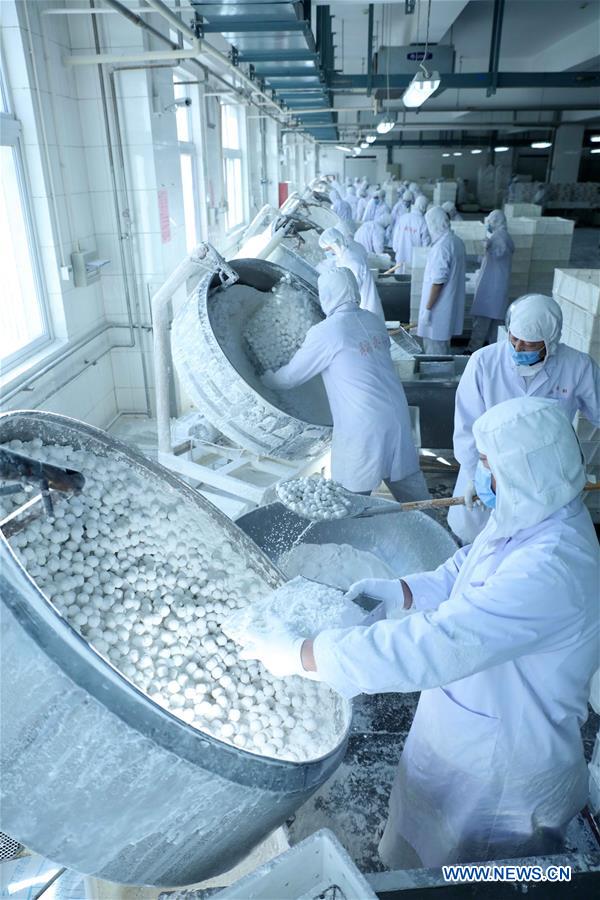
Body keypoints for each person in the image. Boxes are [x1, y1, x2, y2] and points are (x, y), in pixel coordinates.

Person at [236, 397, 599, 869]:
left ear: (523, 472)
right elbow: (465, 568)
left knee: (465, 878)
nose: (481, 479)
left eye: (488, 468)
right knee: (417, 845)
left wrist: (307, 655)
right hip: (461, 728)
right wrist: (401, 591)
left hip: (502, 768)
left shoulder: (555, 566)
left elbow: (440, 643)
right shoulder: (528, 514)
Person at [263, 268, 429, 502]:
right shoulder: (372, 320)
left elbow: (289, 378)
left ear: (327, 295)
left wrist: (264, 377)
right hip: (397, 415)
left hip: (363, 424)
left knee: (350, 495)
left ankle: (351, 533)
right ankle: (431, 526)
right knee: (410, 489)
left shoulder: (327, 332)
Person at [449, 292, 600, 542]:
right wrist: (473, 475)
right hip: (489, 475)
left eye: (530, 343)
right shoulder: (484, 362)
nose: (518, 348)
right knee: (478, 547)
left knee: (534, 550)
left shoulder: (578, 366)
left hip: (544, 479)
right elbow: (466, 426)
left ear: (550, 342)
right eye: (514, 338)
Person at [417, 206, 466, 355]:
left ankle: (438, 378)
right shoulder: (455, 241)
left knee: (435, 352)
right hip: (447, 307)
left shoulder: (442, 247)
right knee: (442, 348)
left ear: (434, 224)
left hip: (437, 311)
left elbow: (438, 282)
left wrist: (427, 309)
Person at [467, 209, 515, 353]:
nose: (488, 224)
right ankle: (494, 351)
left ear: (494, 221)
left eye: (490, 221)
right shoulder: (501, 236)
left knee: (482, 322)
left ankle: (473, 350)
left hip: (491, 288)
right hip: (495, 286)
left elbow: (498, 253)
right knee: (494, 323)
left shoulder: (500, 237)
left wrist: (487, 245)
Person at [319, 227, 385, 321]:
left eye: (329, 249)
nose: (329, 252)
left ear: (336, 244)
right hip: (362, 310)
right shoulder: (344, 256)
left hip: (366, 308)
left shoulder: (351, 261)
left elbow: (352, 291)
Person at [392, 195, 430, 269]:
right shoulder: (423, 222)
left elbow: (395, 238)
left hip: (400, 256)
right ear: (424, 207)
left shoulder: (403, 218)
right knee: (410, 278)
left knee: (398, 278)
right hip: (415, 260)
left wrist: (397, 250)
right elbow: (425, 246)